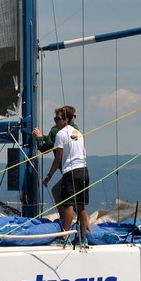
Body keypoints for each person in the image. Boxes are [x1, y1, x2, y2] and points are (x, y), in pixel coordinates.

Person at [41, 105, 90, 245]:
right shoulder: (78, 133)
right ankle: (83, 238)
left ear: (66, 120)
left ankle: (64, 238)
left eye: (58, 119)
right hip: (84, 171)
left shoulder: (60, 134)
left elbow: (58, 159)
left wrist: (49, 176)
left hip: (71, 173)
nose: (55, 121)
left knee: (68, 205)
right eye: (55, 118)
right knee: (81, 206)